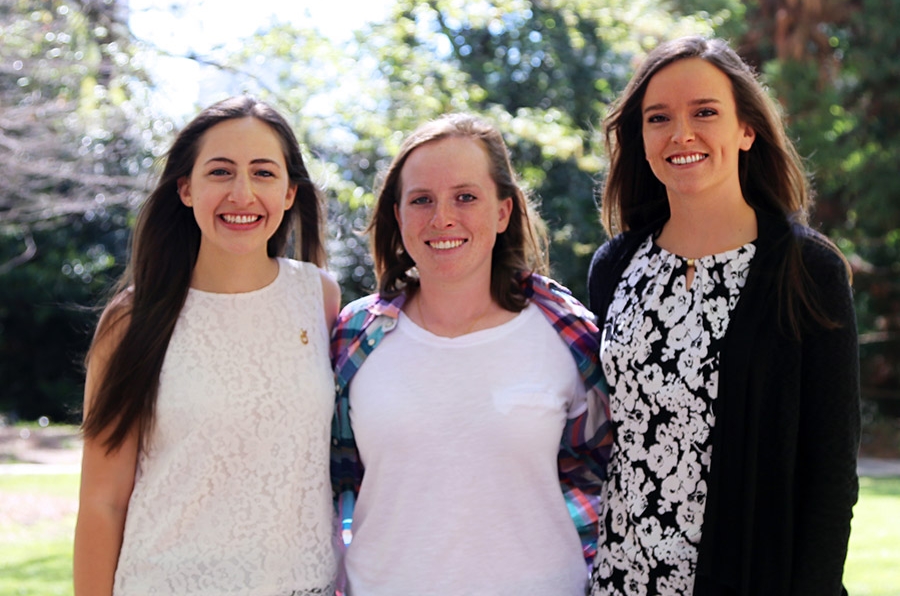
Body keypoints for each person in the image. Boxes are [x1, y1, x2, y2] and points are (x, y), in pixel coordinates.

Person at [586, 35, 859, 596]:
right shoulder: (615, 266)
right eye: (658, 117)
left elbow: (830, 473)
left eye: (705, 112)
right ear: (641, 137)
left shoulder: (807, 271)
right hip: (620, 579)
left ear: (746, 129)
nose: (681, 134)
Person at [330, 113, 612, 595]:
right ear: (398, 217)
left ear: (503, 212)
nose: (442, 218)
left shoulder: (566, 334)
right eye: (421, 200)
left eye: (465, 197)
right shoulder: (356, 337)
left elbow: (612, 478)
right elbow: (327, 485)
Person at [73, 95, 341, 595]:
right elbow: (102, 503)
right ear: (186, 189)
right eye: (220, 172)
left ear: (288, 193)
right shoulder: (132, 320)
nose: (242, 194)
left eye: (263, 173)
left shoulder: (319, 297)